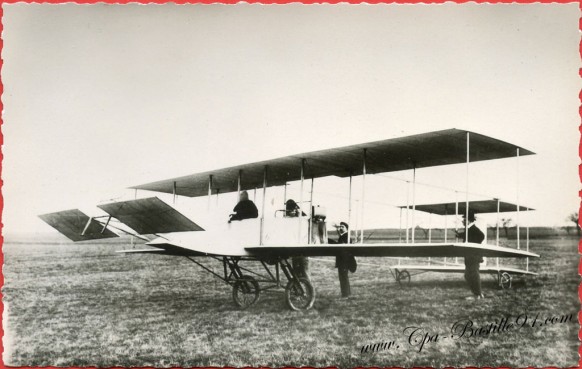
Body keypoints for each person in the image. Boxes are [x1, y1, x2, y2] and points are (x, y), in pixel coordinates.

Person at [456, 212, 485, 300]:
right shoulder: (469, 229)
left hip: (474, 256)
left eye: (464, 220)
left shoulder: (473, 229)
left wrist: (474, 246)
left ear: (469, 220)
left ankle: (478, 295)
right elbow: (468, 235)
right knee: (468, 275)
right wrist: (459, 235)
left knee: (473, 274)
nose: (463, 221)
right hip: (469, 256)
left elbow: (481, 236)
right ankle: (477, 293)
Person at [334, 222, 357, 298]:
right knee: (343, 277)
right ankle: (346, 293)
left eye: (342, 227)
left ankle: (345, 294)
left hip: (344, 260)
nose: (340, 228)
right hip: (342, 260)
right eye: (340, 227)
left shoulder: (346, 236)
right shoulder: (344, 236)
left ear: (346, 228)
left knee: (343, 277)